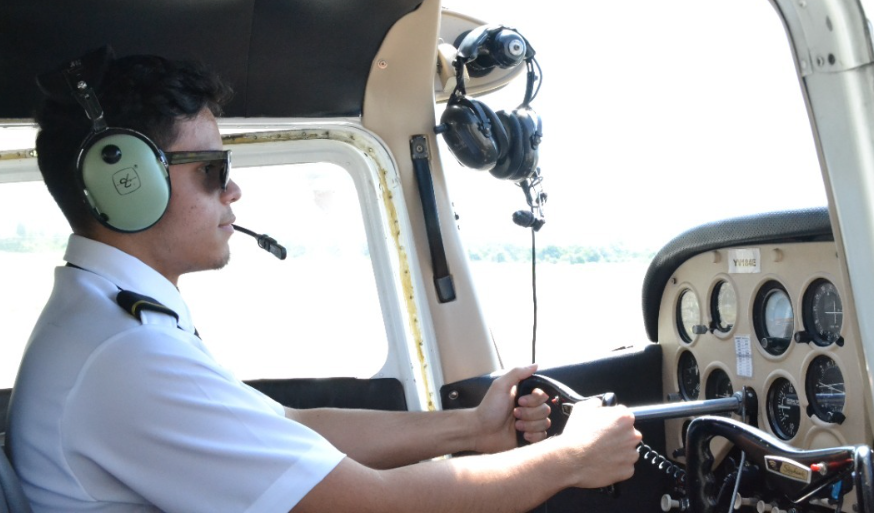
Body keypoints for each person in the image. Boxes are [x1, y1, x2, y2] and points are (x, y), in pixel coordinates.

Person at [7, 48, 642, 512]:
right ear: (128, 183)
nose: (233, 188)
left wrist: (472, 429)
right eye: (211, 167)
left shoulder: (107, 320)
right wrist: (571, 459)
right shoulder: (126, 357)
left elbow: (284, 425)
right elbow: (373, 505)